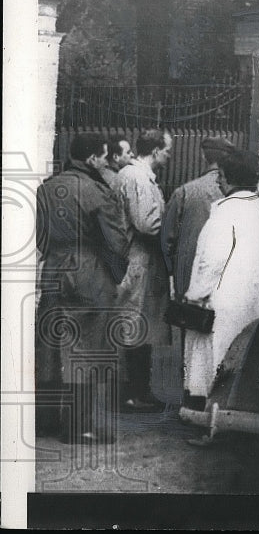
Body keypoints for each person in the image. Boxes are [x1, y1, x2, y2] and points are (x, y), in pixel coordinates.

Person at [35, 134, 130, 443]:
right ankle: (78, 427)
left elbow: (40, 239)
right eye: (104, 157)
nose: (107, 162)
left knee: (50, 345)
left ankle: (44, 421)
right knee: (86, 350)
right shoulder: (98, 191)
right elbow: (116, 242)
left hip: (53, 268)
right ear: (91, 159)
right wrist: (114, 273)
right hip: (88, 270)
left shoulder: (46, 188)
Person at [182, 150, 259, 440]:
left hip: (220, 299)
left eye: (220, 175)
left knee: (209, 362)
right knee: (234, 362)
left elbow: (212, 259)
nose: (217, 181)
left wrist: (195, 294)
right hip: (249, 300)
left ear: (228, 179)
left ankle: (205, 425)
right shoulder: (257, 209)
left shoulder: (227, 211)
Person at [113, 127, 173, 413]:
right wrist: (173, 228)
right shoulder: (137, 177)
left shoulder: (137, 176)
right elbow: (147, 225)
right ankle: (130, 394)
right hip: (136, 260)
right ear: (156, 150)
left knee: (136, 324)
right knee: (132, 324)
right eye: (167, 150)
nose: (169, 155)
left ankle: (137, 391)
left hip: (138, 260)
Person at [161, 136, 234, 303]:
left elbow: (166, 238)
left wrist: (174, 270)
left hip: (188, 278)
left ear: (203, 156)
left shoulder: (185, 192)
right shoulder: (238, 195)